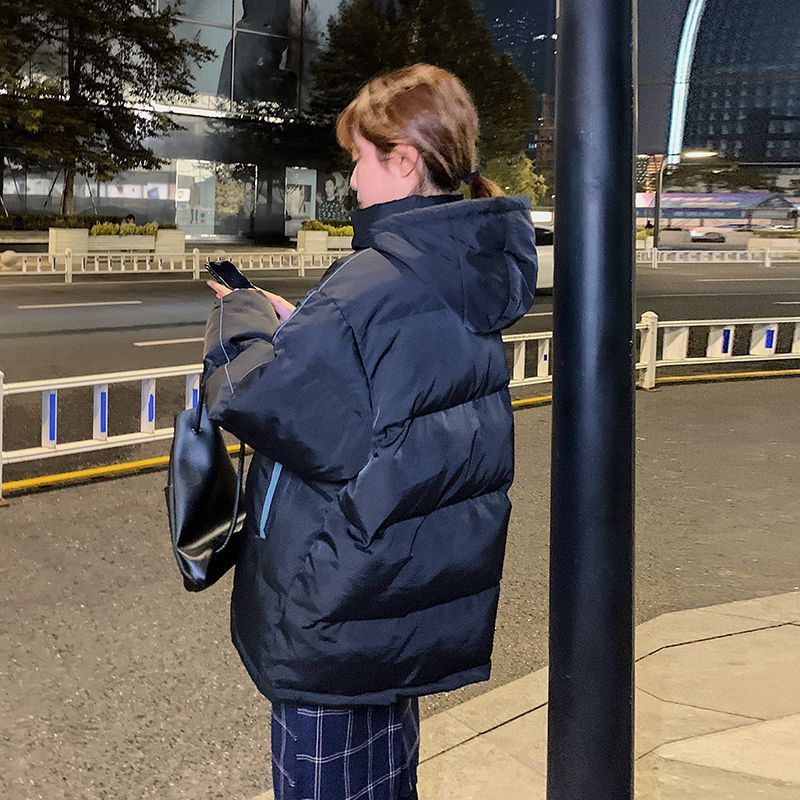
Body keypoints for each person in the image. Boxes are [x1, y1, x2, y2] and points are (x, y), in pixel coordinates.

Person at [202, 63, 537, 800]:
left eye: (359, 158)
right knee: (383, 778)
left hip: (340, 601)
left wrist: (240, 312)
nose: (352, 180)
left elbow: (251, 395)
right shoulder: (460, 266)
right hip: (396, 594)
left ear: (405, 159)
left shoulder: (373, 279)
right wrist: (309, 327)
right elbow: (388, 401)